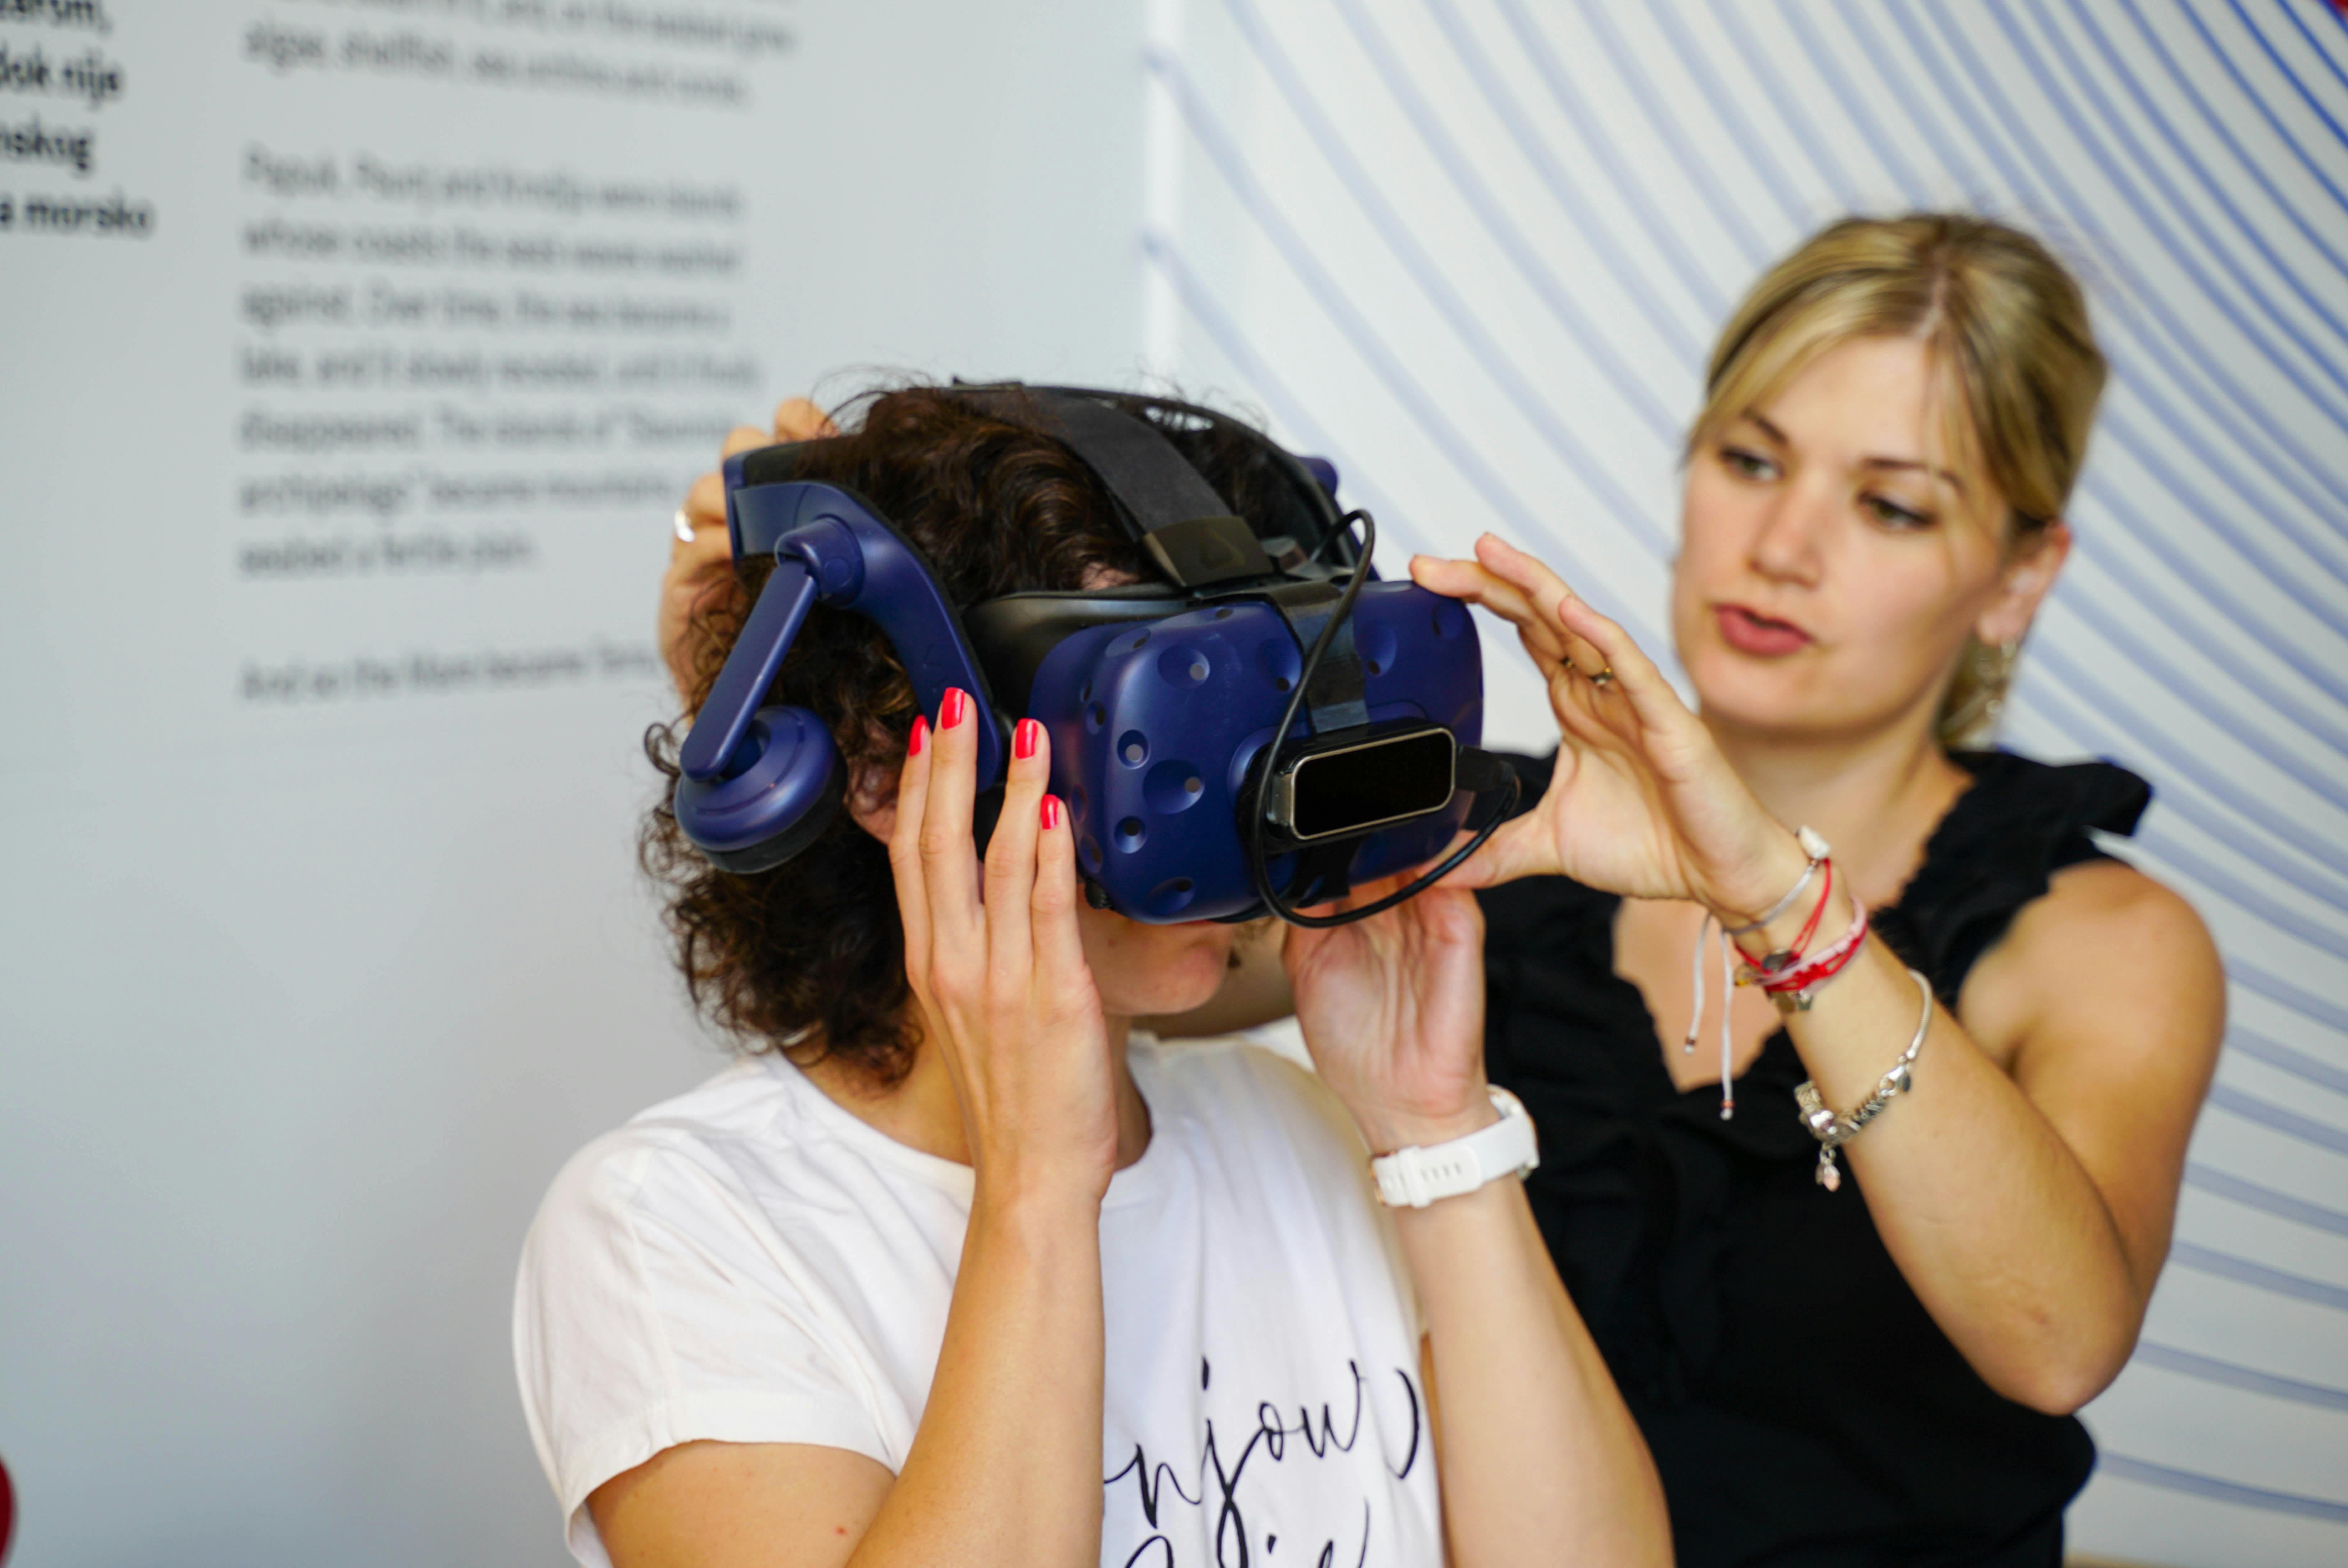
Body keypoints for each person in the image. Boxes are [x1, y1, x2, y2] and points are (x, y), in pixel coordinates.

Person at [654, 213, 2224, 1565]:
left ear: (2019, 573)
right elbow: (1089, 946)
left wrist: (1765, 895)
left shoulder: (2098, 941)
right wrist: (819, 695)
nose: (1785, 544)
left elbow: (2056, 1340)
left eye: (1890, 502)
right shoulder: (1465, 852)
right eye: (1751, 460)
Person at [519, 388, 1671, 1567]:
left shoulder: (1307, 1132)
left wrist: (1441, 1138)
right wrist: (1036, 1189)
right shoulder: (673, 1230)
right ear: (881, 771)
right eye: (1164, 715)